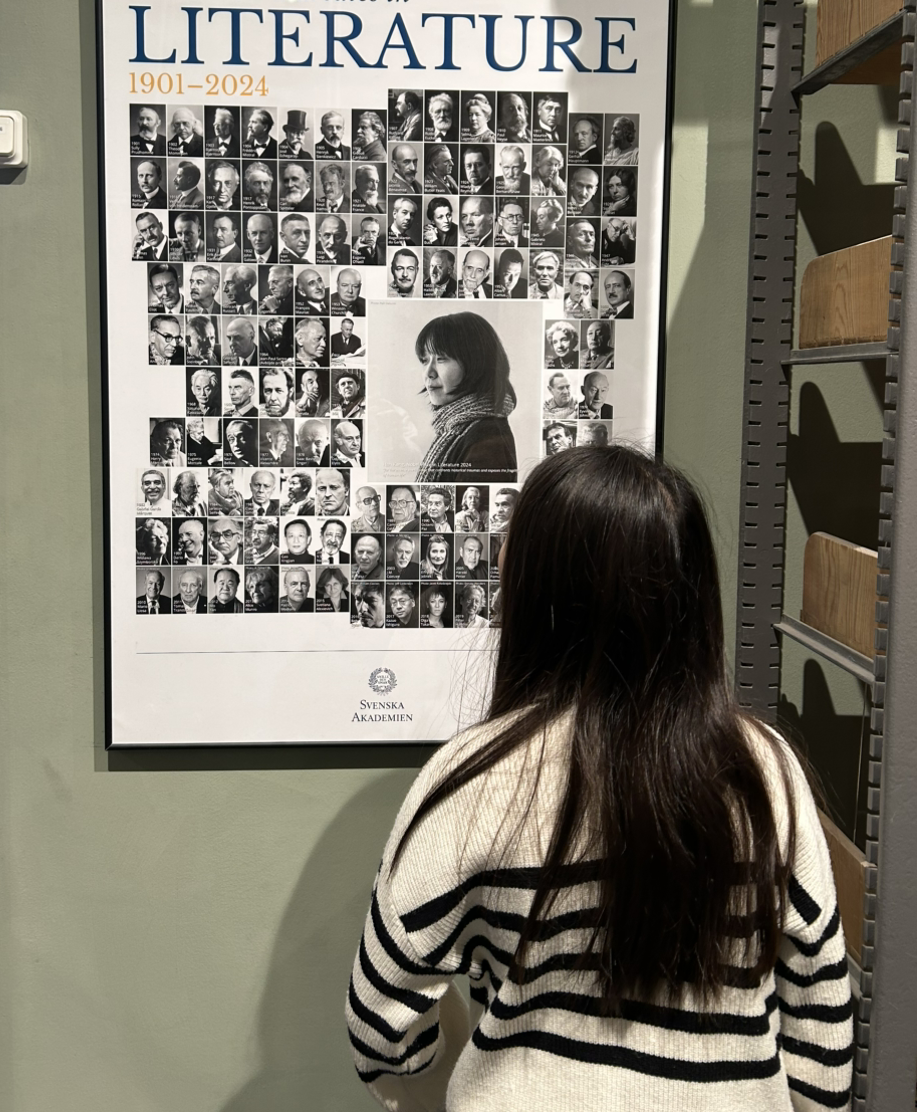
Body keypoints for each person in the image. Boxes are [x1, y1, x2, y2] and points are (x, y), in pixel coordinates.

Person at [350, 443, 853, 1105]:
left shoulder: (475, 775)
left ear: (535, 587)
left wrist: (444, 1080)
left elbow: (379, 1021)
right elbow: (820, 1015)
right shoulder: (764, 768)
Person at [415, 312, 517, 484]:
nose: (428, 373)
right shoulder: (460, 428)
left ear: (475, 363)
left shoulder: (487, 439)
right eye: (424, 360)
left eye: (441, 359)